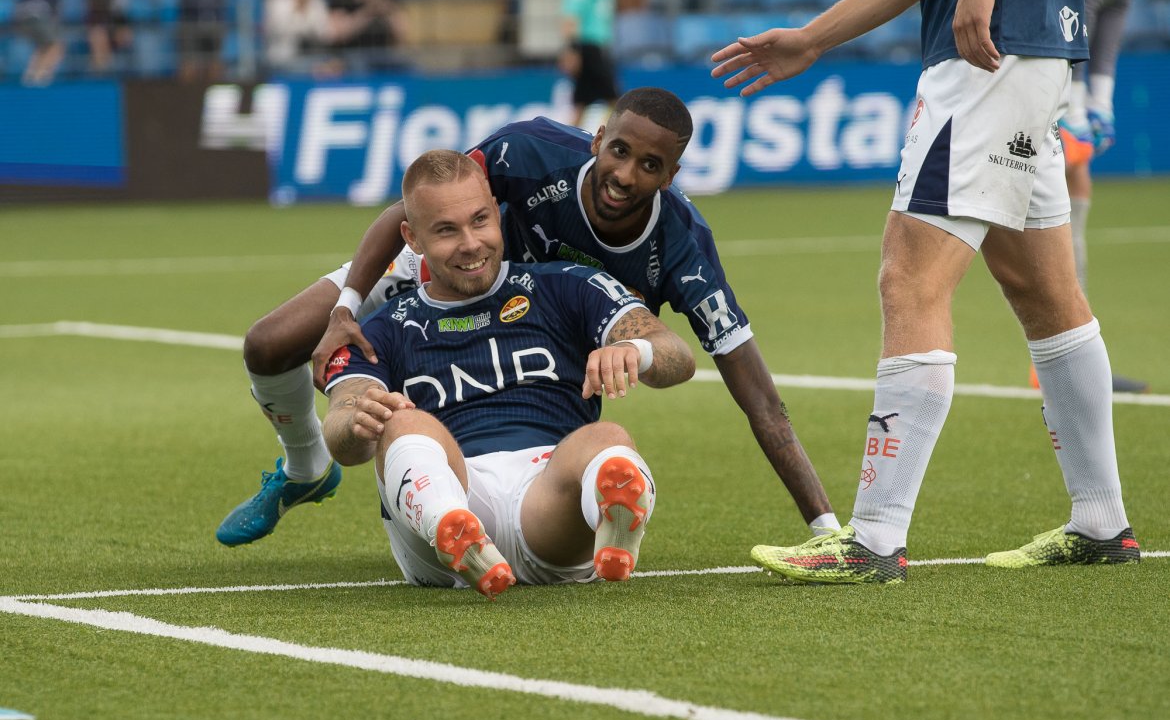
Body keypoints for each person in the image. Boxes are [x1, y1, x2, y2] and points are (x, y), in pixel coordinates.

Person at [215, 87, 842, 548]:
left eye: (650, 166)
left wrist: (825, 527)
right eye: (619, 151)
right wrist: (346, 309)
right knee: (268, 344)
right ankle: (305, 470)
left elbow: (760, 398)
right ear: (598, 138)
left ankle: (524, 514)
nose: (625, 176)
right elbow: (411, 208)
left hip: (536, 321)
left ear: (672, 175)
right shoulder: (530, 149)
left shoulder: (682, 245)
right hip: (453, 261)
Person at [711, 0, 1139, 584]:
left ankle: (875, 538)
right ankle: (1102, 522)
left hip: (989, 53)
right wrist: (814, 38)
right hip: (1030, 52)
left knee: (911, 277)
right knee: (1045, 293)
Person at [322, 149, 696, 597]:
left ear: (497, 213)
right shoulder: (381, 328)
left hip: (549, 500)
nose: (471, 244)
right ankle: (451, 527)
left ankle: (613, 526)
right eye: (446, 230)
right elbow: (341, 427)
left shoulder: (567, 285)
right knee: (403, 423)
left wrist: (635, 350)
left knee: (608, 438)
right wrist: (358, 421)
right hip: (450, 489)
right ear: (412, 238)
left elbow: (677, 356)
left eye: (480, 220)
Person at [1050, 0, 1149, 394]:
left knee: (1075, 176)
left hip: (1062, 65)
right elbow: (1076, 11)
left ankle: (1068, 359)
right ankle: (1063, 359)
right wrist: (1074, 106)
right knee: (1059, 179)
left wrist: (1102, 102)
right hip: (1039, 57)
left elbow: (1114, 9)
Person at [559, 0, 620, 128]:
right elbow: (572, 10)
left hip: (597, 45)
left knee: (581, 103)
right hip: (588, 47)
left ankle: (566, 141)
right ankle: (611, 137)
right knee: (615, 99)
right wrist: (572, 49)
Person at [263, 0, 344, 77]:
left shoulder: (317, 2)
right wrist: (301, 5)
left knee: (341, 64)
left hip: (313, 59)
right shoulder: (276, 0)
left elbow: (324, 34)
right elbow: (280, 30)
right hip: (283, 61)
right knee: (317, 69)